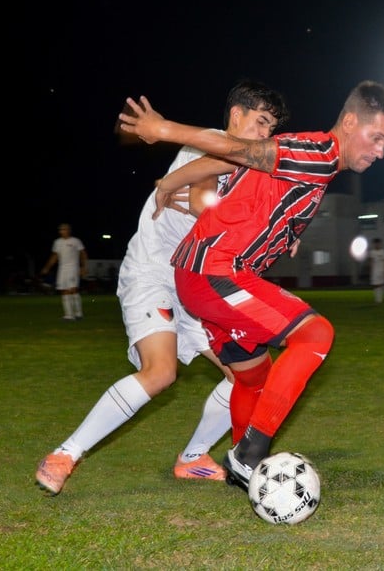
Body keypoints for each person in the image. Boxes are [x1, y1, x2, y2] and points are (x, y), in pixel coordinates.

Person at [118, 80, 384, 490]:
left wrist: (169, 182)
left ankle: (243, 468)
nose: (379, 151)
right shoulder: (320, 155)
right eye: (376, 138)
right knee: (315, 334)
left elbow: (225, 161)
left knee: (253, 376)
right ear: (349, 121)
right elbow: (236, 149)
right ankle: (249, 454)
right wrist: (164, 130)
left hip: (200, 274)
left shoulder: (310, 157)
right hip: (213, 271)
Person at [35, 81, 290, 495]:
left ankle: (192, 458)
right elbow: (200, 200)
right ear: (236, 115)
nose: (264, 134)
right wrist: (241, 218)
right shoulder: (209, 144)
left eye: (270, 128)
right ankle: (65, 453)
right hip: (154, 272)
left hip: (198, 284)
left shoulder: (249, 171)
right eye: (260, 122)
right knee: (161, 372)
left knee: (248, 377)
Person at [39, 223, 88, 321]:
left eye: (64, 229)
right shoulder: (57, 242)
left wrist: (83, 267)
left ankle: (78, 313)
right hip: (62, 269)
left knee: (72, 289)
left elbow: (83, 254)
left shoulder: (75, 241)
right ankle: (69, 315)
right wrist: (47, 267)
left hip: (73, 268)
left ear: (69, 230)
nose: (62, 231)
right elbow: (54, 256)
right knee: (64, 290)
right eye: (61, 230)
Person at [368, 238, 384, 303]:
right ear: (374, 244)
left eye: (378, 243)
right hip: (375, 271)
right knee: (377, 285)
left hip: (382, 271)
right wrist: (370, 271)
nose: (377, 245)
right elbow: (371, 262)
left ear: (380, 244)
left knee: (380, 284)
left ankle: (379, 300)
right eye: (375, 244)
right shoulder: (372, 252)